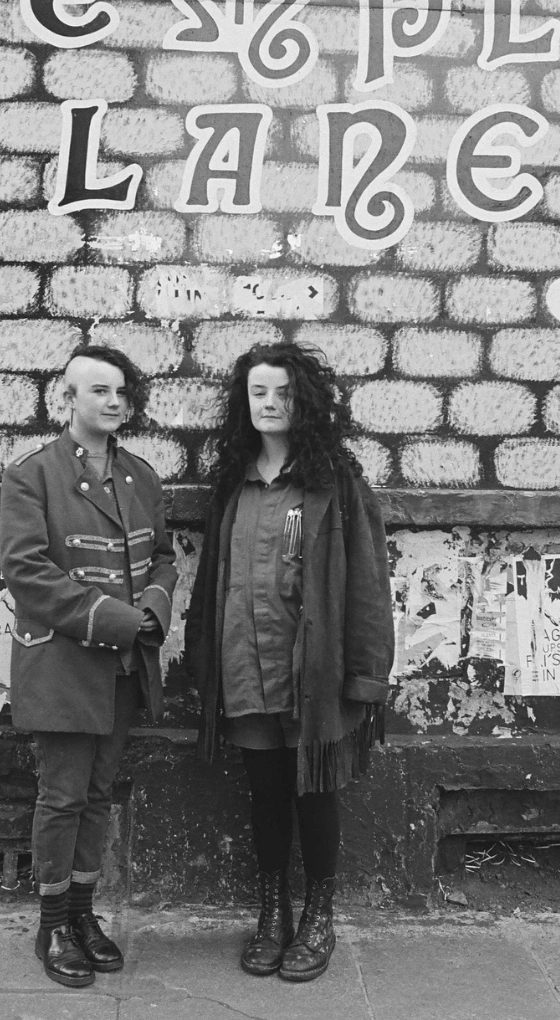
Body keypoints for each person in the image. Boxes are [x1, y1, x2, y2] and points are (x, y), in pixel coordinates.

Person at [184, 342, 394, 982]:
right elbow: (210, 579)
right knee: (266, 794)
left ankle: (319, 915)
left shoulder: (335, 485)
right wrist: (202, 662)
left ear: (304, 401)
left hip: (314, 675)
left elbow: (367, 583)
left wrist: (365, 677)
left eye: (282, 393)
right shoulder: (234, 483)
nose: (269, 404)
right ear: (243, 404)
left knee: (315, 794)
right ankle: (272, 912)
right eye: (258, 393)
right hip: (246, 668)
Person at [0, 345, 177, 988]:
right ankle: (51, 925)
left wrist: (154, 606)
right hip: (65, 664)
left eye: (121, 392)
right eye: (97, 390)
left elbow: (163, 556)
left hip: (126, 667)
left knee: (98, 794)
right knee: (64, 795)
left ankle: (81, 913)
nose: (112, 401)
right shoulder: (32, 475)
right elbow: (27, 572)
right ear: (66, 398)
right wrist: (121, 619)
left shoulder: (142, 475)